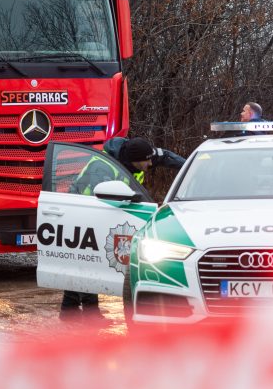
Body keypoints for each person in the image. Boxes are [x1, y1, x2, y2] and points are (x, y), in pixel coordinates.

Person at [61, 136, 186, 320]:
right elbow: (104, 200)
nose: (151, 163)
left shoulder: (138, 154)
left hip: (99, 211)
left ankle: (68, 311)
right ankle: (90, 314)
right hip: (84, 212)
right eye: (147, 161)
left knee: (84, 262)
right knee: (90, 261)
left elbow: (165, 157)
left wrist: (190, 166)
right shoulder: (103, 168)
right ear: (135, 161)